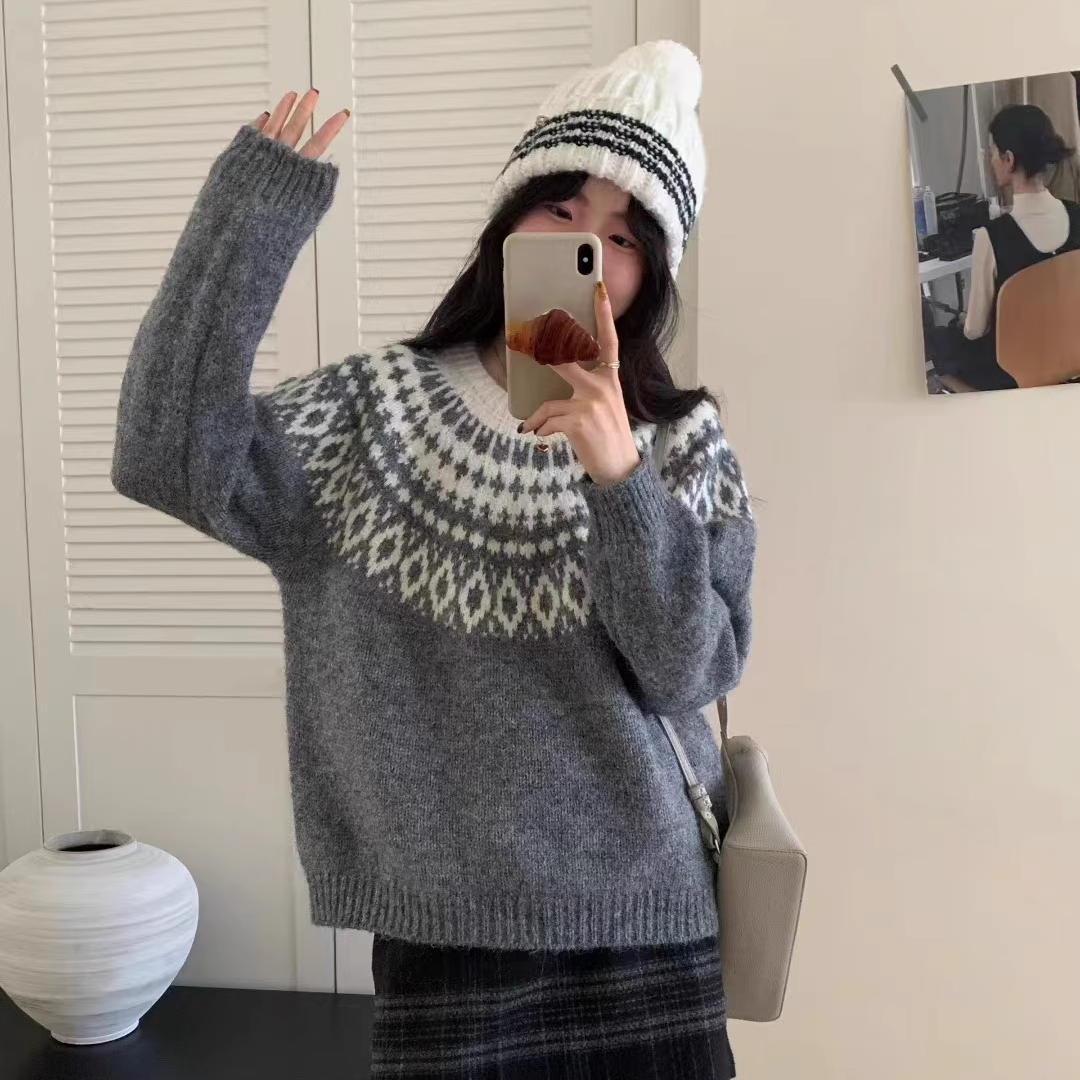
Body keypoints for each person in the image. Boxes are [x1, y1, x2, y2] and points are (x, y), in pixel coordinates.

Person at [111, 41, 753, 1079]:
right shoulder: (373, 414)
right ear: (509, 220)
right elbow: (166, 456)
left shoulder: (681, 439)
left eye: (623, 236)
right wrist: (249, 223)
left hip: (647, 926)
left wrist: (620, 476)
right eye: (561, 209)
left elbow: (693, 671)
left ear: (653, 274)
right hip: (446, 941)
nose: (587, 248)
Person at [950, 104, 1080, 390]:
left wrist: (962, 321)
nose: (991, 159)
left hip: (1016, 377)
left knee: (942, 341)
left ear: (1008, 159)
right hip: (1074, 363)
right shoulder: (1077, 216)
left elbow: (975, 330)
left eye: (993, 152)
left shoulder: (991, 237)